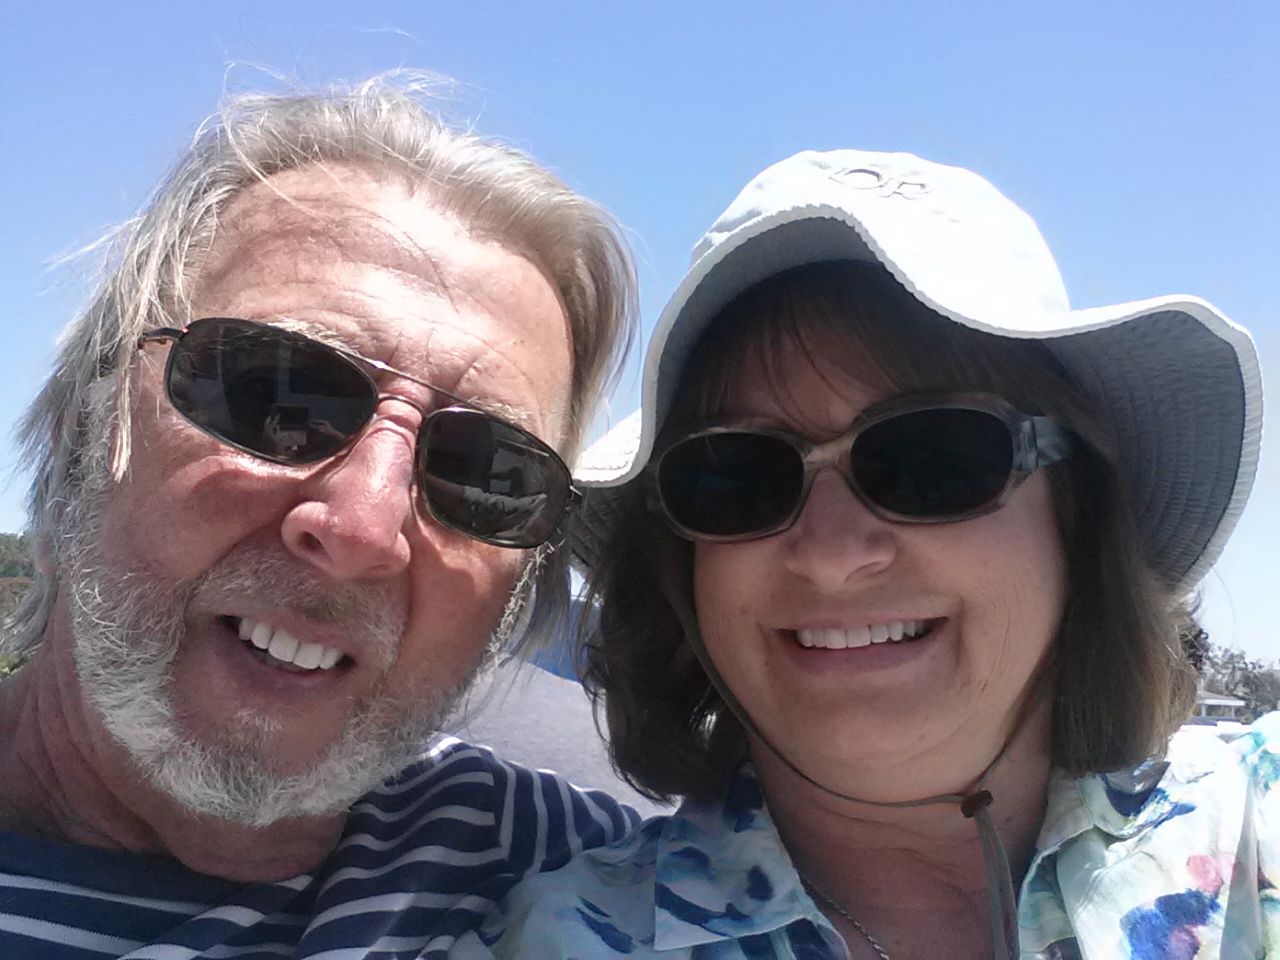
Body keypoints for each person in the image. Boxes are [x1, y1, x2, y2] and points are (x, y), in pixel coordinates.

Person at [462, 150, 1272, 958]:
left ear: (1076, 511)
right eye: (736, 478)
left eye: (935, 459)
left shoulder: (1253, 825)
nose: (831, 555)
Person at [0, 75, 639, 959]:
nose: (361, 527)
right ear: (83, 432)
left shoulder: (606, 883)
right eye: (271, 396)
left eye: (485, 471)